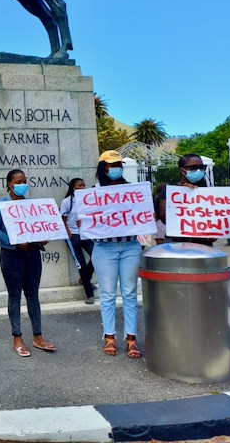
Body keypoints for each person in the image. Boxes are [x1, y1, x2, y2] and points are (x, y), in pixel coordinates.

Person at [0, 169, 56, 357]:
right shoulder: (1, 205)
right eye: (18, 181)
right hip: (11, 256)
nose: (22, 184)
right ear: (9, 184)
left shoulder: (32, 205)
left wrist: (42, 238)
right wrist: (13, 240)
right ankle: (17, 337)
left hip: (32, 254)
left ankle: (38, 336)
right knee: (14, 296)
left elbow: (38, 227)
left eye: (24, 181)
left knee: (33, 295)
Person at [91, 150, 143, 359]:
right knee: (108, 294)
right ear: (103, 168)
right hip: (104, 249)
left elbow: (142, 214)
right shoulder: (93, 192)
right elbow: (83, 219)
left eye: (119, 165)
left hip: (130, 246)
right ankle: (109, 337)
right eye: (112, 165)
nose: (116, 168)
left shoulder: (132, 190)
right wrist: (83, 223)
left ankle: (131, 338)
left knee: (130, 293)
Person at [157, 154, 215, 247]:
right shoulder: (170, 191)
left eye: (201, 167)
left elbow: (215, 217)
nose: (199, 171)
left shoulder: (208, 192)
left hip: (203, 244)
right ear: (181, 170)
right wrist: (183, 195)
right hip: (176, 244)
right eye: (193, 168)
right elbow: (164, 218)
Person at [60, 178, 95, 304]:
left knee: (97, 256)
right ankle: (89, 294)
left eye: (84, 185)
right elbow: (63, 219)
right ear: (73, 188)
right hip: (73, 236)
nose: (83, 187)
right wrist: (68, 232)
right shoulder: (66, 202)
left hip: (85, 234)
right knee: (81, 264)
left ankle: (85, 279)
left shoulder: (87, 201)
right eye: (80, 185)